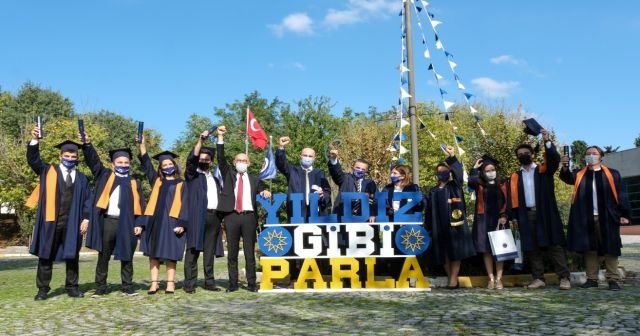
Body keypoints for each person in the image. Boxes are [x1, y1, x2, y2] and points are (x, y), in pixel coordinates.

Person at [26, 125, 92, 300]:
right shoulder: (48, 171)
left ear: (77, 158)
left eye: (73, 156)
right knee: (45, 255)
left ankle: (72, 287)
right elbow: (33, 160)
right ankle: (42, 289)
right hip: (51, 221)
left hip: (72, 221)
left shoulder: (82, 178)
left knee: (72, 255)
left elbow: (88, 200)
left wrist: (86, 218)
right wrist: (35, 141)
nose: (70, 158)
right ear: (60, 156)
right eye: (67, 156)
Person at [81, 133, 144, 297]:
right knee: (104, 256)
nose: (123, 164)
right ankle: (101, 287)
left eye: (126, 162)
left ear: (129, 164)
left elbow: (141, 205)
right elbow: (93, 161)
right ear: (113, 163)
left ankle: (127, 286)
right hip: (108, 222)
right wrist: (87, 144)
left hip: (128, 223)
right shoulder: (105, 176)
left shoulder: (134, 182)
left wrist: (139, 224)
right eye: (119, 162)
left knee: (127, 256)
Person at [560, 146, 631, 291]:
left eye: (594, 153)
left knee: (611, 248)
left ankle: (613, 280)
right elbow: (567, 178)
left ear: (601, 157)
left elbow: (622, 194)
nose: (590, 156)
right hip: (586, 217)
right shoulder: (580, 174)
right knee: (589, 248)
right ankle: (592, 279)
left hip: (608, 216)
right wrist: (564, 166)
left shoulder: (612, 174)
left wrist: (624, 214)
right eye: (588, 154)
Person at [507, 129, 571, 290]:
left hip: (546, 214)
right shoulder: (515, 177)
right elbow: (511, 199)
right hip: (525, 214)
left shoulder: (544, 171)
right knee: (531, 247)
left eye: (525, 152)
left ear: (532, 154)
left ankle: (564, 278)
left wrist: (547, 141)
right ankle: (538, 278)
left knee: (554, 245)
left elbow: (554, 159)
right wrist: (513, 217)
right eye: (520, 154)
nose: (523, 155)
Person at [215, 126, 271, 292]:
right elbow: (220, 158)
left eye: (244, 161)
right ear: (234, 163)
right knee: (232, 253)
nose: (241, 163)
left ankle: (252, 284)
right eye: (239, 160)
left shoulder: (254, 179)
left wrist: (265, 191)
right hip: (232, 216)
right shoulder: (229, 175)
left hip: (249, 218)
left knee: (249, 253)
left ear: (249, 163)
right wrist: (220, 138)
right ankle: (233, 284)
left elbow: (263, 190)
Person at [276, 136, 331, 281]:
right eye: (305, 155)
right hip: (296, 212)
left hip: (314, 213)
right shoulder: (292, 170)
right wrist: (281, 148)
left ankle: (315, 277)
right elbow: (281, 164)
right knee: (295, 245)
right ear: (300, 156)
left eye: (310, 156)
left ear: (314, 158)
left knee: (314, 243)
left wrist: (322, 194)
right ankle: (294, 278)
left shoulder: (320, 173)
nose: (307, 158)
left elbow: (327, 191)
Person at [136, 136, 187, 294]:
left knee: (171, 253)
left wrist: (182, 223)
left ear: (174, 165)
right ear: (161, 168)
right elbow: (146, 163)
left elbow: (185, 205)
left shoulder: (182, 183)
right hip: (155, 221)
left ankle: (170, 283)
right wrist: (142, 145)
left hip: (172, 221)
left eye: (169, 164)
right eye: (164, 165)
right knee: (154, 253)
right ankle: (154, 283)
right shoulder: (156, 181)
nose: (167, 166)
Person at [423, 145, 475, 289]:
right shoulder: (432, 191)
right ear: (436, 174)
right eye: (439, 172)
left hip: (455, 225)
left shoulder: (455, 186)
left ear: (449, 172)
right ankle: (452, 277)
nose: (442, 173)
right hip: (438, 225)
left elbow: (459, 173)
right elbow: (428, 210)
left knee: (455, 251)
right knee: (443, 253)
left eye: (445, 171)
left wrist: (452, 157)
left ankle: (452, 280)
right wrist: (427, 227)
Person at [182, 129, 225, 294]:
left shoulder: (215, 179)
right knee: (192, 251)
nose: (203, 160)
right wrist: (201, 141)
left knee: (209, 252)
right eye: (201, 158)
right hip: (197, 217)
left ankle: (209, 282)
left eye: (207, 159)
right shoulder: (192, 176)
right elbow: (190, 161)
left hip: (213, 217)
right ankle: (189, 284)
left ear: (211, 161)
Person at [328, 149, 378, 283]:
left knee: (361, 248)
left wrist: (373, 213)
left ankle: (362, 278)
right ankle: (345, 278)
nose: (360, 170)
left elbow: (375, 200)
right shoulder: (345, 178)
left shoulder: (370, 183)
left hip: (363, 220)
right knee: (344, 247)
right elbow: (336, 172)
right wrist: (334, 160)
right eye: (357, 167)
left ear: (366, 171)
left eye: (363, 169)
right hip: (345, 219)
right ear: (352, 167)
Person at [468, 155, 508, 290]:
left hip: (499, 220)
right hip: (483, 220)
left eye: (493, 169)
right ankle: (491, 278)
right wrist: (474, 168)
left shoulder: (502, 183)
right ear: (483, 172)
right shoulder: (479, 184)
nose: (491, 172)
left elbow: (508, 201)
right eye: (487, 170)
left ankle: (499, 279)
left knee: (500, 250)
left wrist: (505, 215)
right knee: (486, 251)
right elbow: (470, 182)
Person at [380, 164, 424, 277]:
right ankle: (396, 278)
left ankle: (413, 278)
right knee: (394, 251)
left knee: (410, 251)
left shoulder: (413, 188)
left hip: (408, 224)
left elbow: (421, 204)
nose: (392, 175)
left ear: (403, 175)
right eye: (391, 173)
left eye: (395, 173)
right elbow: (382, 204)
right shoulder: (387, 188)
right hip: (392, 224)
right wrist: (388, 210)